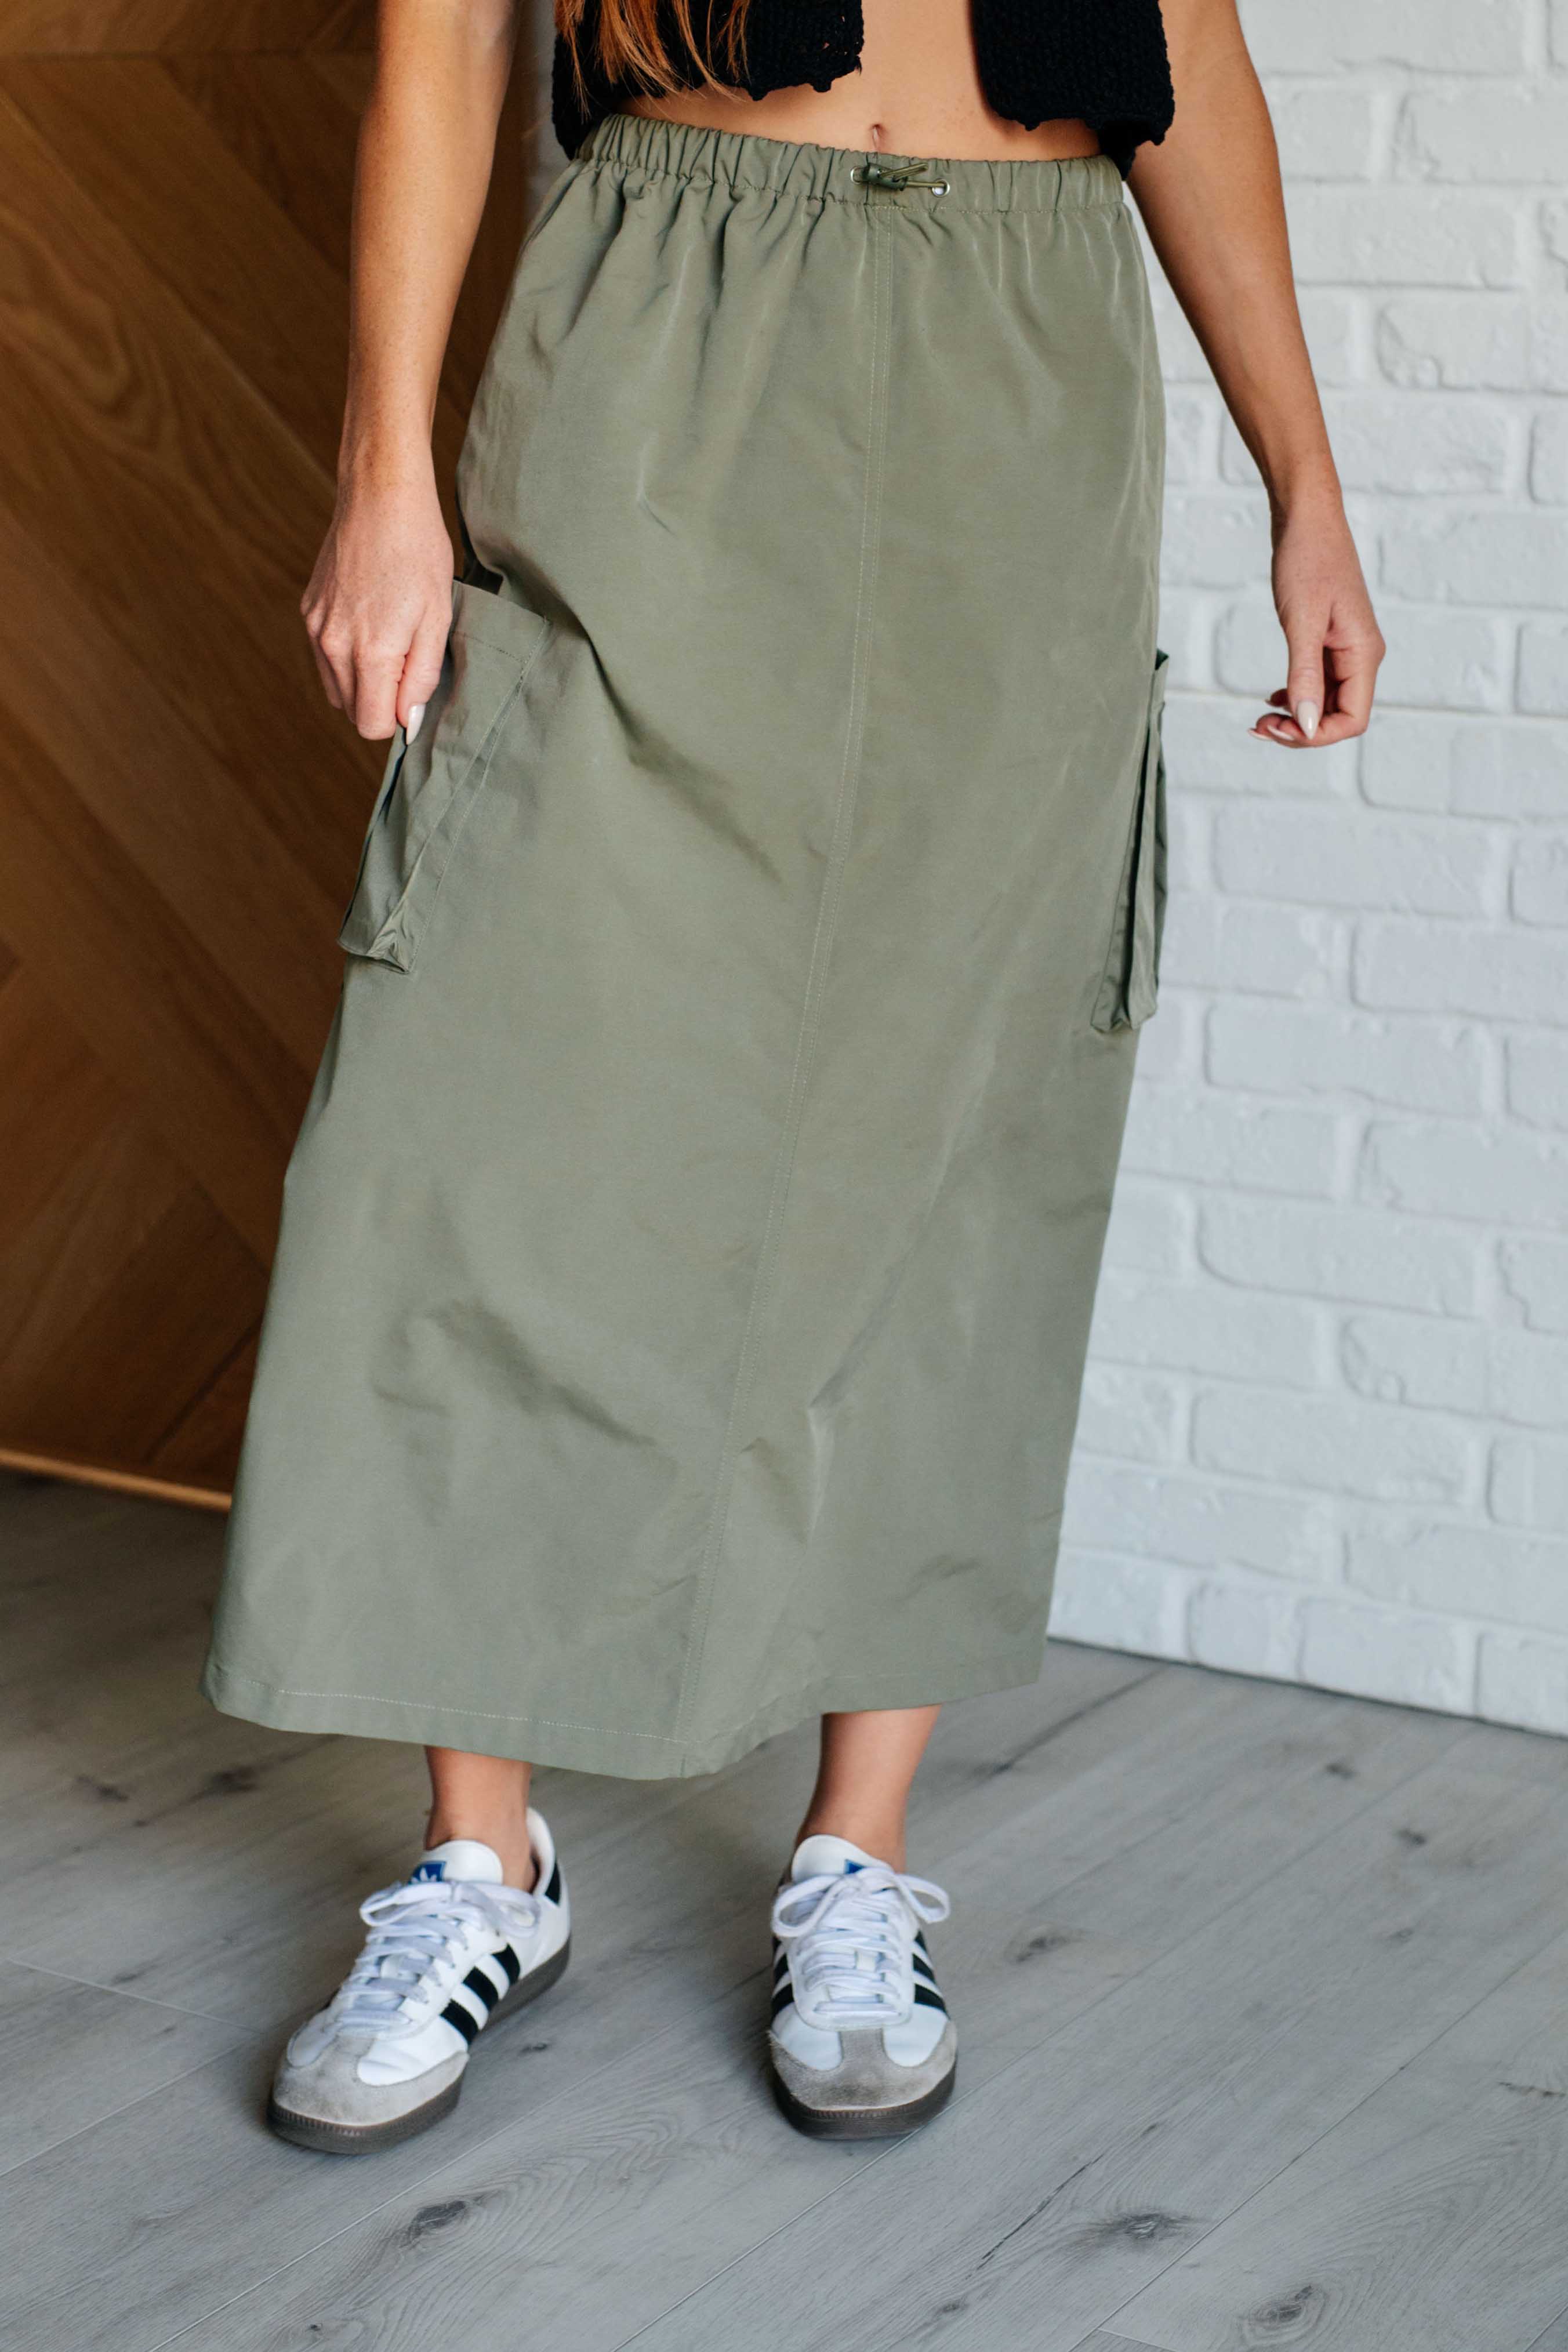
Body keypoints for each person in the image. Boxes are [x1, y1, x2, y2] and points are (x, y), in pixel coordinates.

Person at [199, 0, 1385, 2154]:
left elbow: (1185, 47)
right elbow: (448, 42)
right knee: (494, 1105)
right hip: (672, 295)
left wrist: (1308, 484)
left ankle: (858, 1854)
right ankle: (485, 1864)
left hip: (1027, 331)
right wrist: (384, 468)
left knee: (959, 1110)